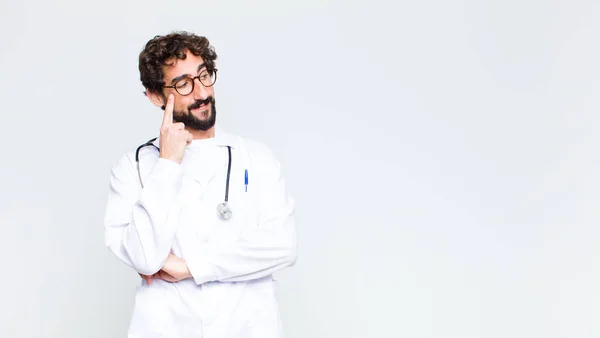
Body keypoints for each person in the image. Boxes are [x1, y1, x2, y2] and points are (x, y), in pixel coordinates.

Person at [103, 31, 298, 338]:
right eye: (183, 83)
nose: (202, 91)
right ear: (155, 96)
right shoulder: (135, 167)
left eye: (204, 75)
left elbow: (282, 246)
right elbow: (144, 257)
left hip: (247, 328)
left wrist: (191, 266)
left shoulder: (256, 157)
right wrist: (167, 164)